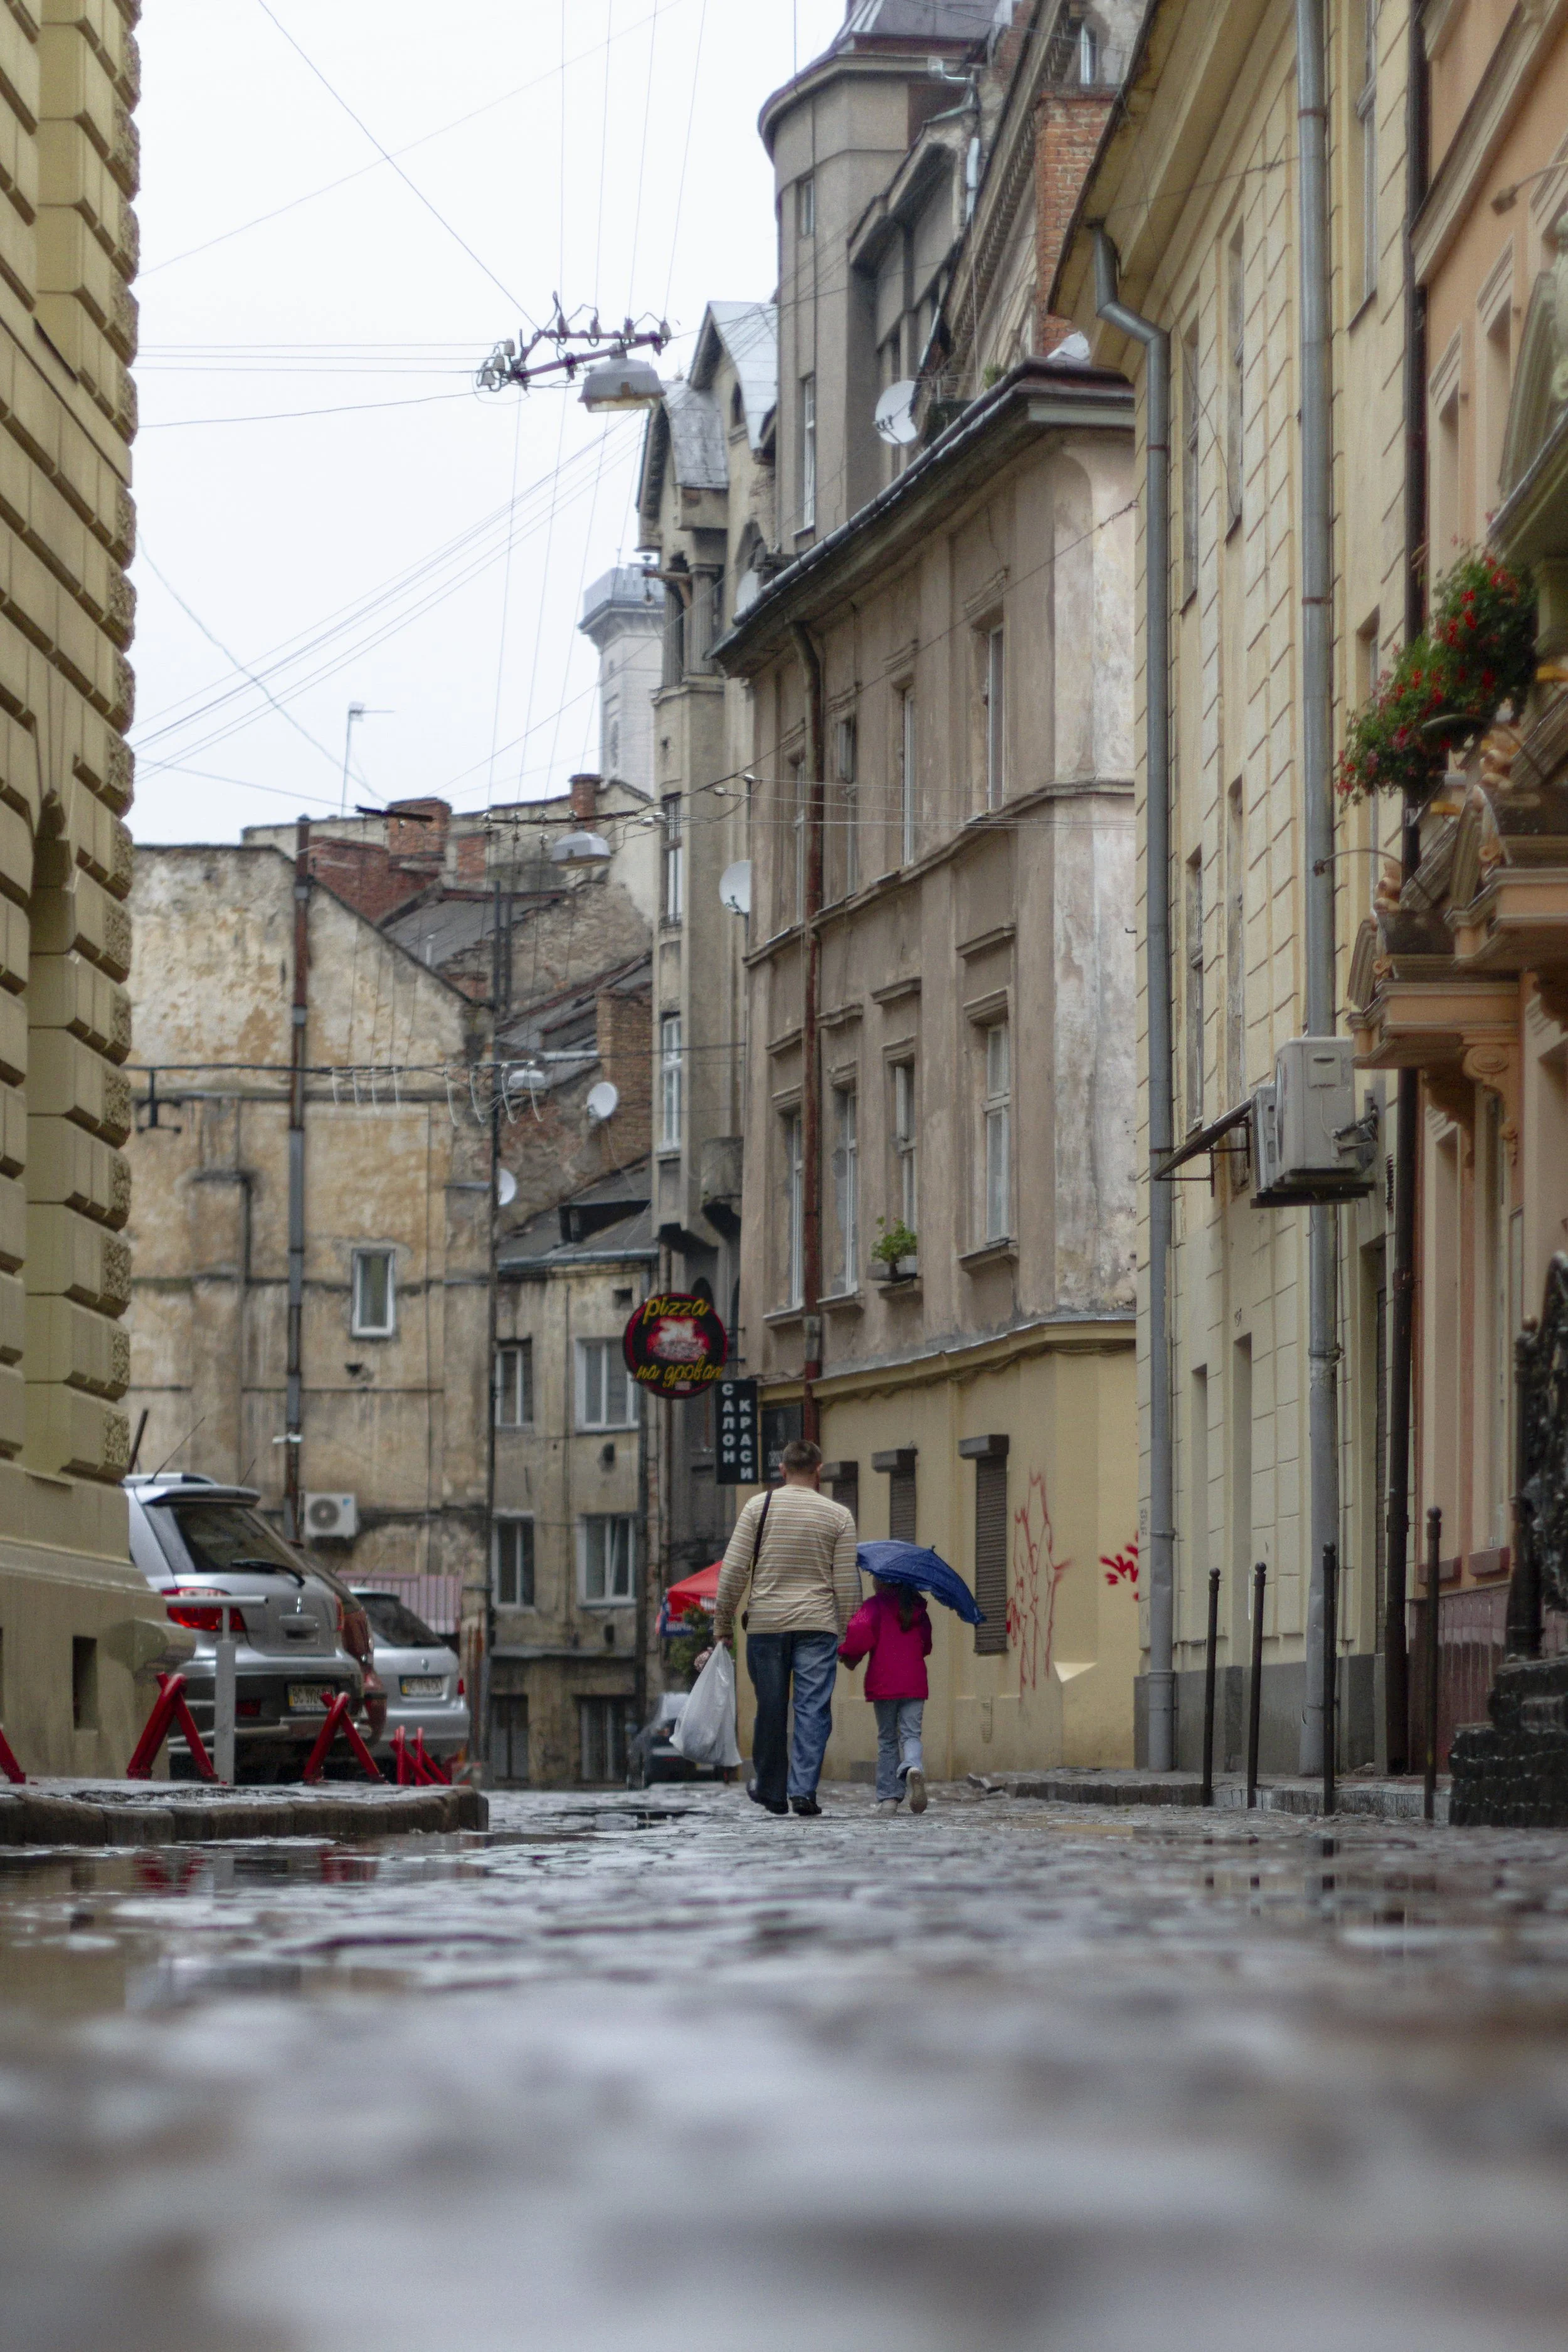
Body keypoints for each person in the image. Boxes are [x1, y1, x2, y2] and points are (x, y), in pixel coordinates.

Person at [709, 1438, 859, 1818]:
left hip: (767, 1625)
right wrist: (848, 1634)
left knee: (772, 1708)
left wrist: (722, 1623)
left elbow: (733, 1571)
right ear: (819, 1471)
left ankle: (772, 1789)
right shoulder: (838, 1516)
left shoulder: (758, 1507)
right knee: (813, 1709)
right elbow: (846, 1583)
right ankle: (804, 1791)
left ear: (782, 1470)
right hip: (817, 1624)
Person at [837, 1577, 932, 1815]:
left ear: (882, 1582)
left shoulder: (874, 1606)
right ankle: (913, 1767)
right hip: (914, 1681)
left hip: (884, 1682)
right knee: (911, 1734)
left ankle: (889, 1798)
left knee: (888, 1739)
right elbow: (927, 1646)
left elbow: (859, 1632)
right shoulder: (918, 1609)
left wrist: (848, 1654)